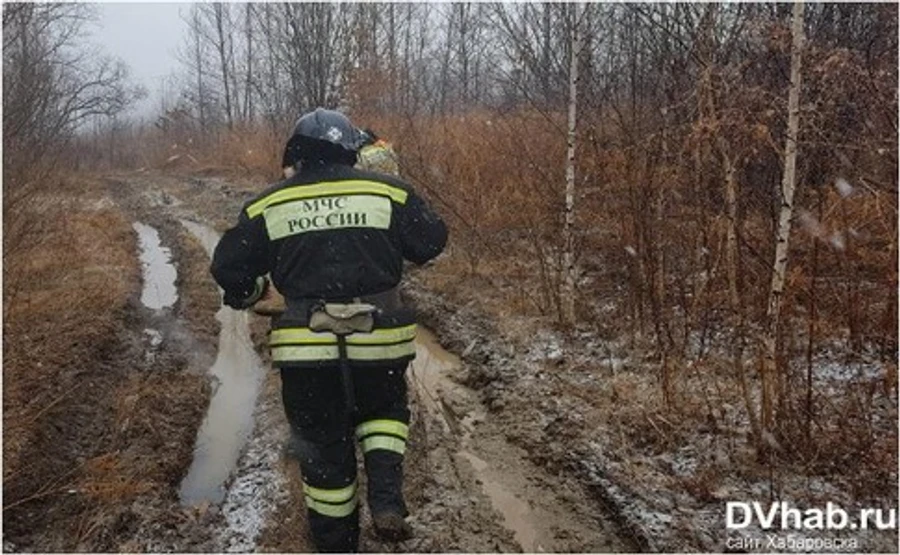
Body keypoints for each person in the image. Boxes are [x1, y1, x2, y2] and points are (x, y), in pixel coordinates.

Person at [210, 108, 447, 553]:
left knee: (323, 451)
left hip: (306, 354)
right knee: (384, 414)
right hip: (380, 343)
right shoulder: (388, 192)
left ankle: (337, 545)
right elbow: (431, 241)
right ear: (350, 149)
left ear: (296, 155)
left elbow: (227, 268)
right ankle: (386, 498)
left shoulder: (269, 203)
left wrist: (252, 290)